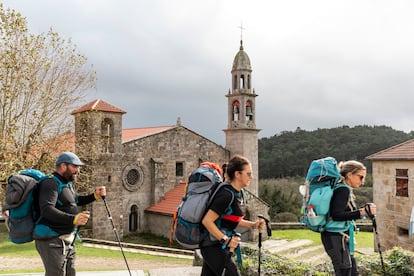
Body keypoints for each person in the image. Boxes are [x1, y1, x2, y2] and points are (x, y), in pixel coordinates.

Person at [34, 152, 106, 276]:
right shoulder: (50, 183)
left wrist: (95, 196)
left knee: (70, 273)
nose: (78, 170)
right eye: (75, 166)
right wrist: (74, 219)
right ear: (63, 166)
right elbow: (46, 210)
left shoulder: (66, 184)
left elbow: (74, 201)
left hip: (67, 239)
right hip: (51, 239)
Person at [201, 155, 265, 276]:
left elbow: (228, 218)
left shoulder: (237, 193)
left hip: (216, 245)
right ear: (237, 174)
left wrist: (253, 225)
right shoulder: (226, 194)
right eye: (248, 174)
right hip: (212, 246)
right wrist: (226, 240)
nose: (251, 177)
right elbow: (207, 221)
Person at [321, 160, 376, 276]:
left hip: (337, 236)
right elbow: (336, 215)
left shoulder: (341, 187)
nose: (363, 181)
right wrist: (361, 213)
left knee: (352, 271)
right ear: (350, 175)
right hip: (335, 236)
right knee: (344, 271)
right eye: (360, 177)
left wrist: (360, 212)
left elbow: (339, 213)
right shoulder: (343, 189)